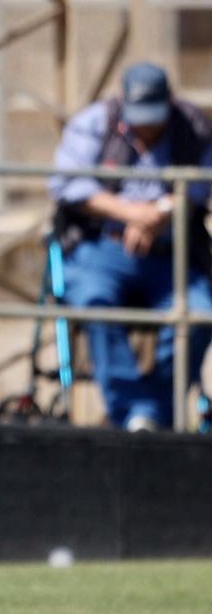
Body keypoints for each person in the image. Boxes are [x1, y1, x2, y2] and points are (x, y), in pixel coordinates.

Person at [49, 61, 212, 431]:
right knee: (94, 302)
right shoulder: (94, 123)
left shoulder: (194, 127)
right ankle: (131, 412)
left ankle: (153, 414)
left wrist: (161, 214)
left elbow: (201, 185)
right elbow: (66, 184)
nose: (147, 125)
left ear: (169, 101)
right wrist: (129, 214)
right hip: (101, 249)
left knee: (200, 313)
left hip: (171, 255)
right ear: (122, 100)